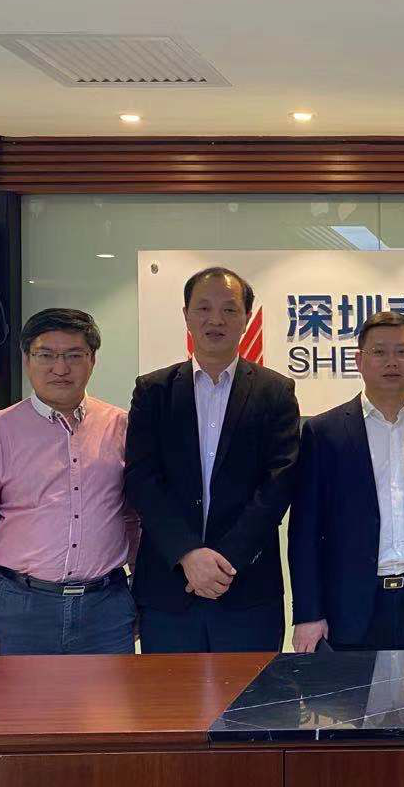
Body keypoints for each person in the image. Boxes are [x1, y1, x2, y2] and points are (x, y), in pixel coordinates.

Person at [125, 266, 300, 652]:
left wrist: (224, 560)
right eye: (203, 308)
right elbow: (141, 479)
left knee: (252, 692)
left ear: (247, 318)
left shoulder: (275, 391)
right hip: (169, 588)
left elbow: (279, 483)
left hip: (247, 587)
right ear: (186, 315)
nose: (215, 320)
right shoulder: (153, 391)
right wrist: (187, 553)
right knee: (169, 691)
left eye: (229, 309)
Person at [0, 309, 139, 655]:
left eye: (74, 355)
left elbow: (134, 519)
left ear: (92, 360)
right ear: (27, 359)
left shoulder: (120, 427)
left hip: (106, 608)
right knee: (16, 695)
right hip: (20, 608)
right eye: (46, 355)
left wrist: (141, 593)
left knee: (110, 694)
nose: (60, 368)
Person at [288, 311, 404, 652]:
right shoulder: (324, 432)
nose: (391, 361)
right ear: (359, 360)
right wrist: (308, 613)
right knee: (350, 690)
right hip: (348, 606)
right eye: (379, 352)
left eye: (402, 351)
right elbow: (305, 530)